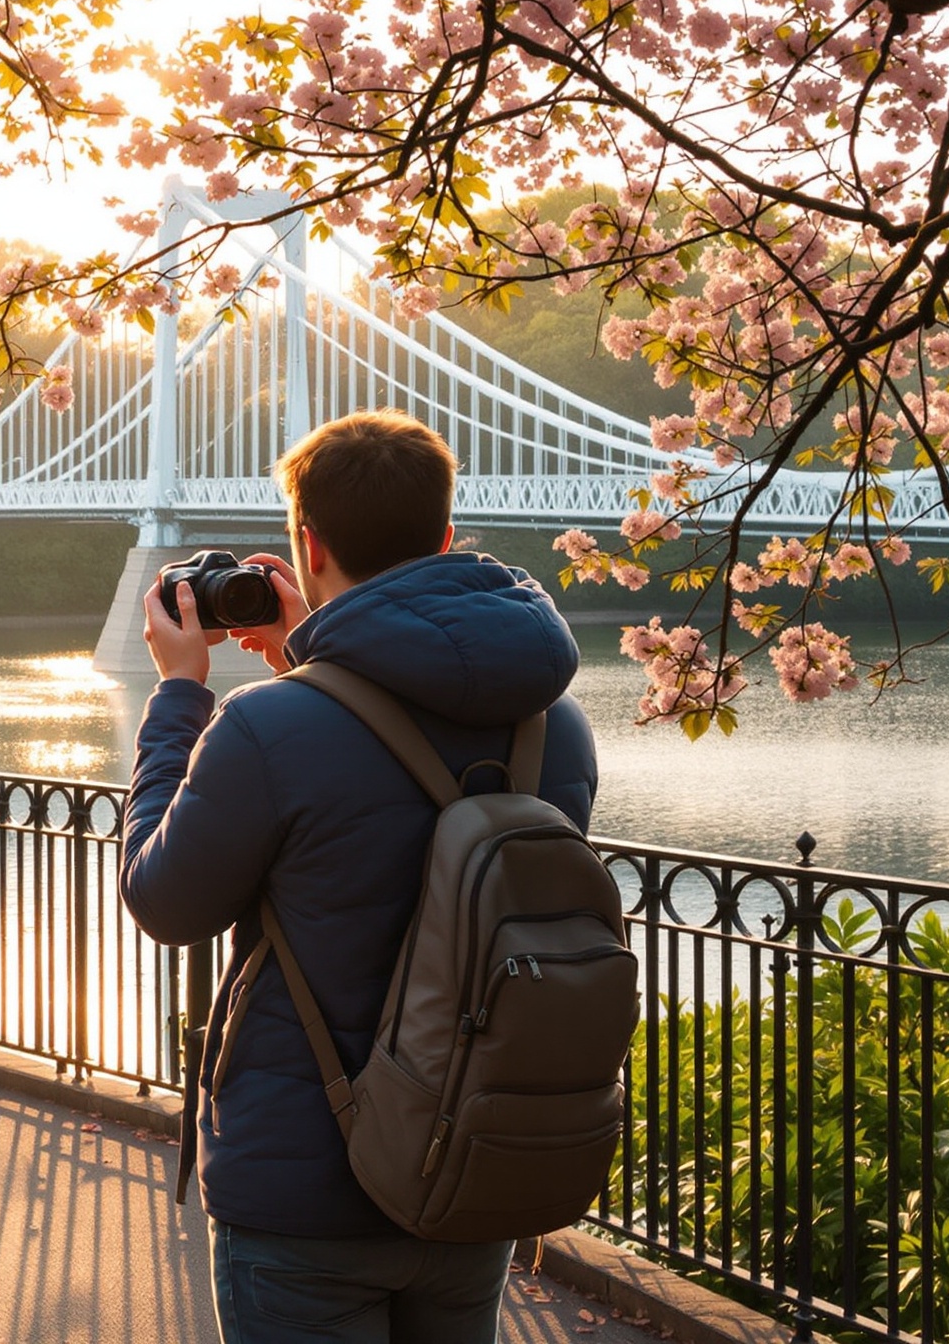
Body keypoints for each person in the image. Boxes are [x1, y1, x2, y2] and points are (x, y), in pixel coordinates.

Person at [122, 409, 599, 1344]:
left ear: (309, 543)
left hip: (305, 1186)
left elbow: (163, 901)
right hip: (470, 1161)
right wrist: (315, 653)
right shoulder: (555, 723)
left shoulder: (268, 727)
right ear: (447, 537)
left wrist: (181, 697)